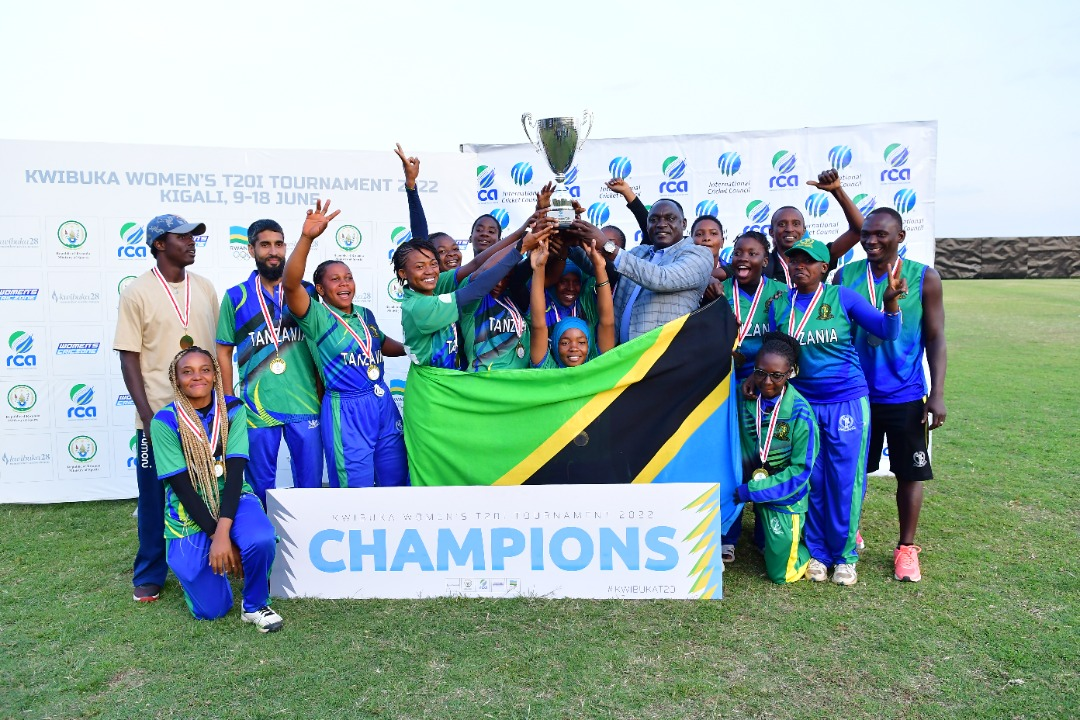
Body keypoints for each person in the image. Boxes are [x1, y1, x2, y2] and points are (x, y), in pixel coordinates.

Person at [766, 237, 905, 586]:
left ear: (824, 268)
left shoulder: (841, 297)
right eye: (795, 259)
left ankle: (845, 556)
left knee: (845, 479)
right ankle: (817, 553)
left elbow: (888, 331)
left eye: (808, 261)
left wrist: (890, 304)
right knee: (810, 474)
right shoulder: (779, 303)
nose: (800, 266)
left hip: (846, 401)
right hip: (802, 403)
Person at [834, 207, 947, 582]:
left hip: (905, 394)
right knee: (851, 472)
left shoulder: (923, 278)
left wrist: (938, 393)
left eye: (881, 234)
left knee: (909, 474)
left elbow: (935, 337)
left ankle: (906, 549)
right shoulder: (844, 276)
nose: (871, 240)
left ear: (900, 237)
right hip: (854, 395)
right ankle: (850, 531)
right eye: (866, 233)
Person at [114, 213, 219, 603]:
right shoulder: (137, 292)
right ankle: (150, 572)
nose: (192, 242)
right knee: (154, 496)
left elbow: (216, 350)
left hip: (206, 415)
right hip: (159, 416)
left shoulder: (205, 288)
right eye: (183, 237)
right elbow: (128, 358)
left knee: (209, 488)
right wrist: (147, 415)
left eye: (194, 236)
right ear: (160, 244)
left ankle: (210, 557)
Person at [150, 347, 282, 631]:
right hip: (188, 508)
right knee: (212, 610)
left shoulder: (233, 409)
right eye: (187, 371)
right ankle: (200, 576)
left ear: (215, 375)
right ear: (176, 379)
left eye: (205, 369)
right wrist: (217, 536)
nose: (197, 377)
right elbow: (182, 488)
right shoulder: (164, 421)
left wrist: (223, 534)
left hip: (232, 496)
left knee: (260, 539)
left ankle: (255, 605)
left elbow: (235, 475)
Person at [283, 200, 408, 488]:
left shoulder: (364, 314)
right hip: (346, 408)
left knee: (397, 481)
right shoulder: (316, 316)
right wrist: (307, 238)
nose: (344, 284)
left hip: (382, 401)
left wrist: (410, 349)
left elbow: (379, 343)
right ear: (320, 289)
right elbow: (290, 285)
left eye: (348, 277)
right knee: (355, 491)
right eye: (335, 279)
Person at [216, 219, 324, 505]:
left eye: (278, 244)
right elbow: (224, 351)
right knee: (261, 486)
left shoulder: (306, 291)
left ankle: (307, 544)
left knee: (310, 486)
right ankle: (266, 546)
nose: (273, 251)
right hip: (256, 407)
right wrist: (229, 402)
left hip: (305, 403)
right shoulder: (236, 296)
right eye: (265, 245)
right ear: (251, 250)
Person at [718, 231, 790, 562]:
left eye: (752, 253)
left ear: (765, 259)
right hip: (725, 387)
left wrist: (759, 375)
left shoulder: (779, 293)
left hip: (765, 387)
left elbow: (785, 345)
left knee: (767, 458)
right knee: (732, 459)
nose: (743, 258)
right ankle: (727, 534)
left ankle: (766, 532)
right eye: (738, 252)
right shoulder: (718, 290)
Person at [395, 219, 553, 369]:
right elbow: (478, 287)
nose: (429, 271)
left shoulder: (437, 283)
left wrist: (522, 233)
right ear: (403, 273)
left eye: (433, 264)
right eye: (420, 267)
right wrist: (520, 247)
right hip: (431, 384)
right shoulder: (420, 306)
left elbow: (477, 264)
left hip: (450, 378)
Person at [734, 333, 817, 584]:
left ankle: (807, 552)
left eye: (776, 376)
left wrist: (751, 490)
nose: (767, 382)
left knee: (781, 574)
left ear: (790, 373)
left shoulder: (801, 413)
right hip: (753, 488)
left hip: (784, 498)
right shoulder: (746, 398)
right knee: (761, 545)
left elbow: (801, 472)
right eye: (760, 372)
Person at [583, 199, 714, 343]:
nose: (661, 224)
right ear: (647, 225)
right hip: (623, 357)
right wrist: (574, 242)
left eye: (670, 218)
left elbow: (662, 279)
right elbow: (598, 266)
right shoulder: (639, 252)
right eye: (654, 219)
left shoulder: (699, 254)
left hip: (665, 358)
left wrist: (608, 247)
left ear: (683, 223)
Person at [529, 238, 615, 368]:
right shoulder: (546, 368)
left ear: (590, 343)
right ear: (555, 344)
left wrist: (599, 267)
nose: (574, 348)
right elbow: (538, 326)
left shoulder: (597, 365)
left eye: (581, 342)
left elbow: (607, 323)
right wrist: (539, 268)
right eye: (564, 343)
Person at [393, 143, 463, 272]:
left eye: (455, 248)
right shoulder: (428, 283)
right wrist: (411, 185)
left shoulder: (467, 281)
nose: (452, 254)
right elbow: (419, 232)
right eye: (441, 251)